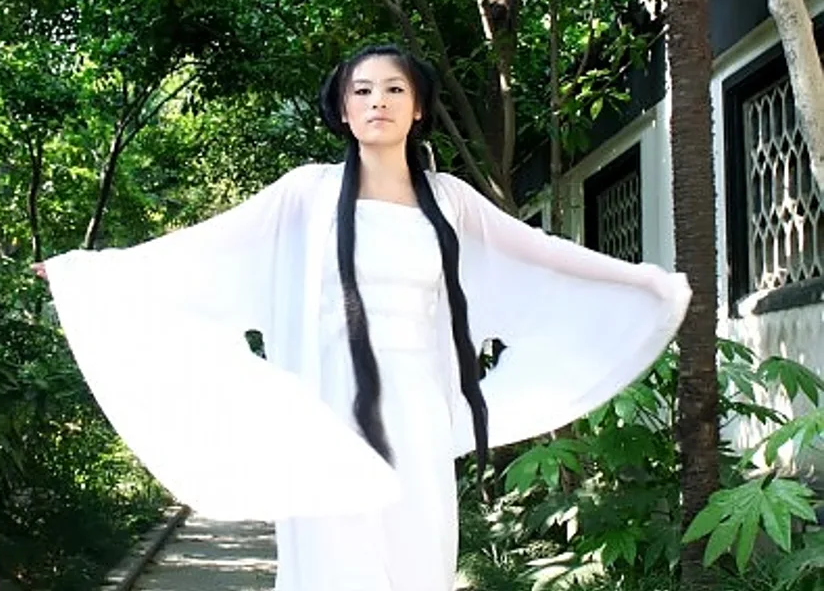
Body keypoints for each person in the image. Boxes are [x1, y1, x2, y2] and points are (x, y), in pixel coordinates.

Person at [34, 44, 691, 591]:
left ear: (419, 107)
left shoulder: (450, 200)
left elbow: (543, 255)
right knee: (332, 559)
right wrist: (91, 272)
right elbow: (207, 249)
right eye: (364, 91)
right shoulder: (307, 194)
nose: (379, 101)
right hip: (328, 409)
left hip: (418, 412)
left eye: (395, 89)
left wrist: (643, 281)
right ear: (343, 110)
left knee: (416, 554)